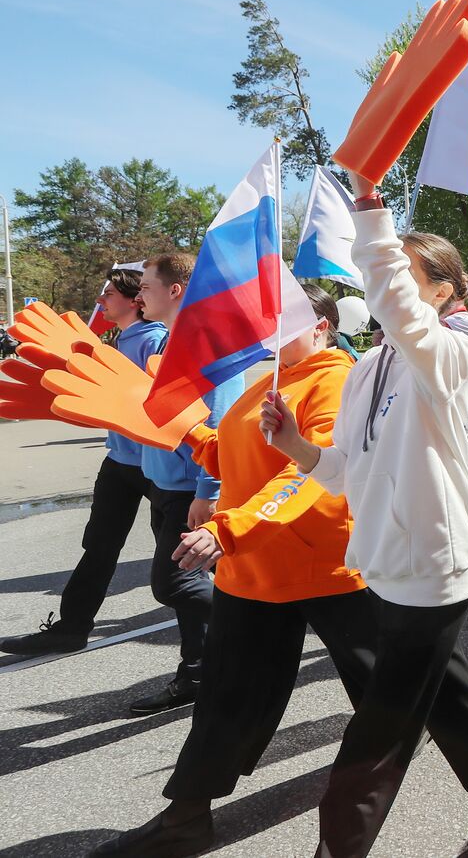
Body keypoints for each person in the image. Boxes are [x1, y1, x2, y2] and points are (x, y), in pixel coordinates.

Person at [262, 182, 468, 858]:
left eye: (405, 277)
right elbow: (344, 469)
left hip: (432, 566)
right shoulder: (367, 367)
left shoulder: (454, 351)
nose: (384, 288)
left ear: (442, 292)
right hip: (383, 562)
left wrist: (371, 214)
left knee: (378, 731)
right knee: (451, 705)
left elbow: (400, 312)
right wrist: (294, 445)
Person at [89, 285, 369, 858]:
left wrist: (228, 528)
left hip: (327, 568)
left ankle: (412, 785)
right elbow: (231, 453)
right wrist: (172, 423)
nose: (271, 328)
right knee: (224, 698)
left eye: (286, 318)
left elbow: (308, 473)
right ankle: (186, 818)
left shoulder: (337, 380)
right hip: (253, 572)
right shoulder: (272, 379)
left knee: (393, 693)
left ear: (322, 325)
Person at [0, 269, 166, 657]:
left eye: (108, 294)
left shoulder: (155, 339)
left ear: (134, 301)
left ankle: (247, 613)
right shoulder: (120, 339)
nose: (100, 300)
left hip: (155, 464)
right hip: (120, 463)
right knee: (99, 547)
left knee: (179, 558)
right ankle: (71, 629)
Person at [126, 253, 243, 716]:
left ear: (175, 290)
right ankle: (196, 675)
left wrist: (207, 492)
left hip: (190, 491)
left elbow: (221, 422)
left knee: (172, 585)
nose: (139, 296)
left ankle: (266, 620)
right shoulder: (171, 341)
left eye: (146, 287)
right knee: (187, 592)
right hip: (164, 485)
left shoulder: (209, 343)